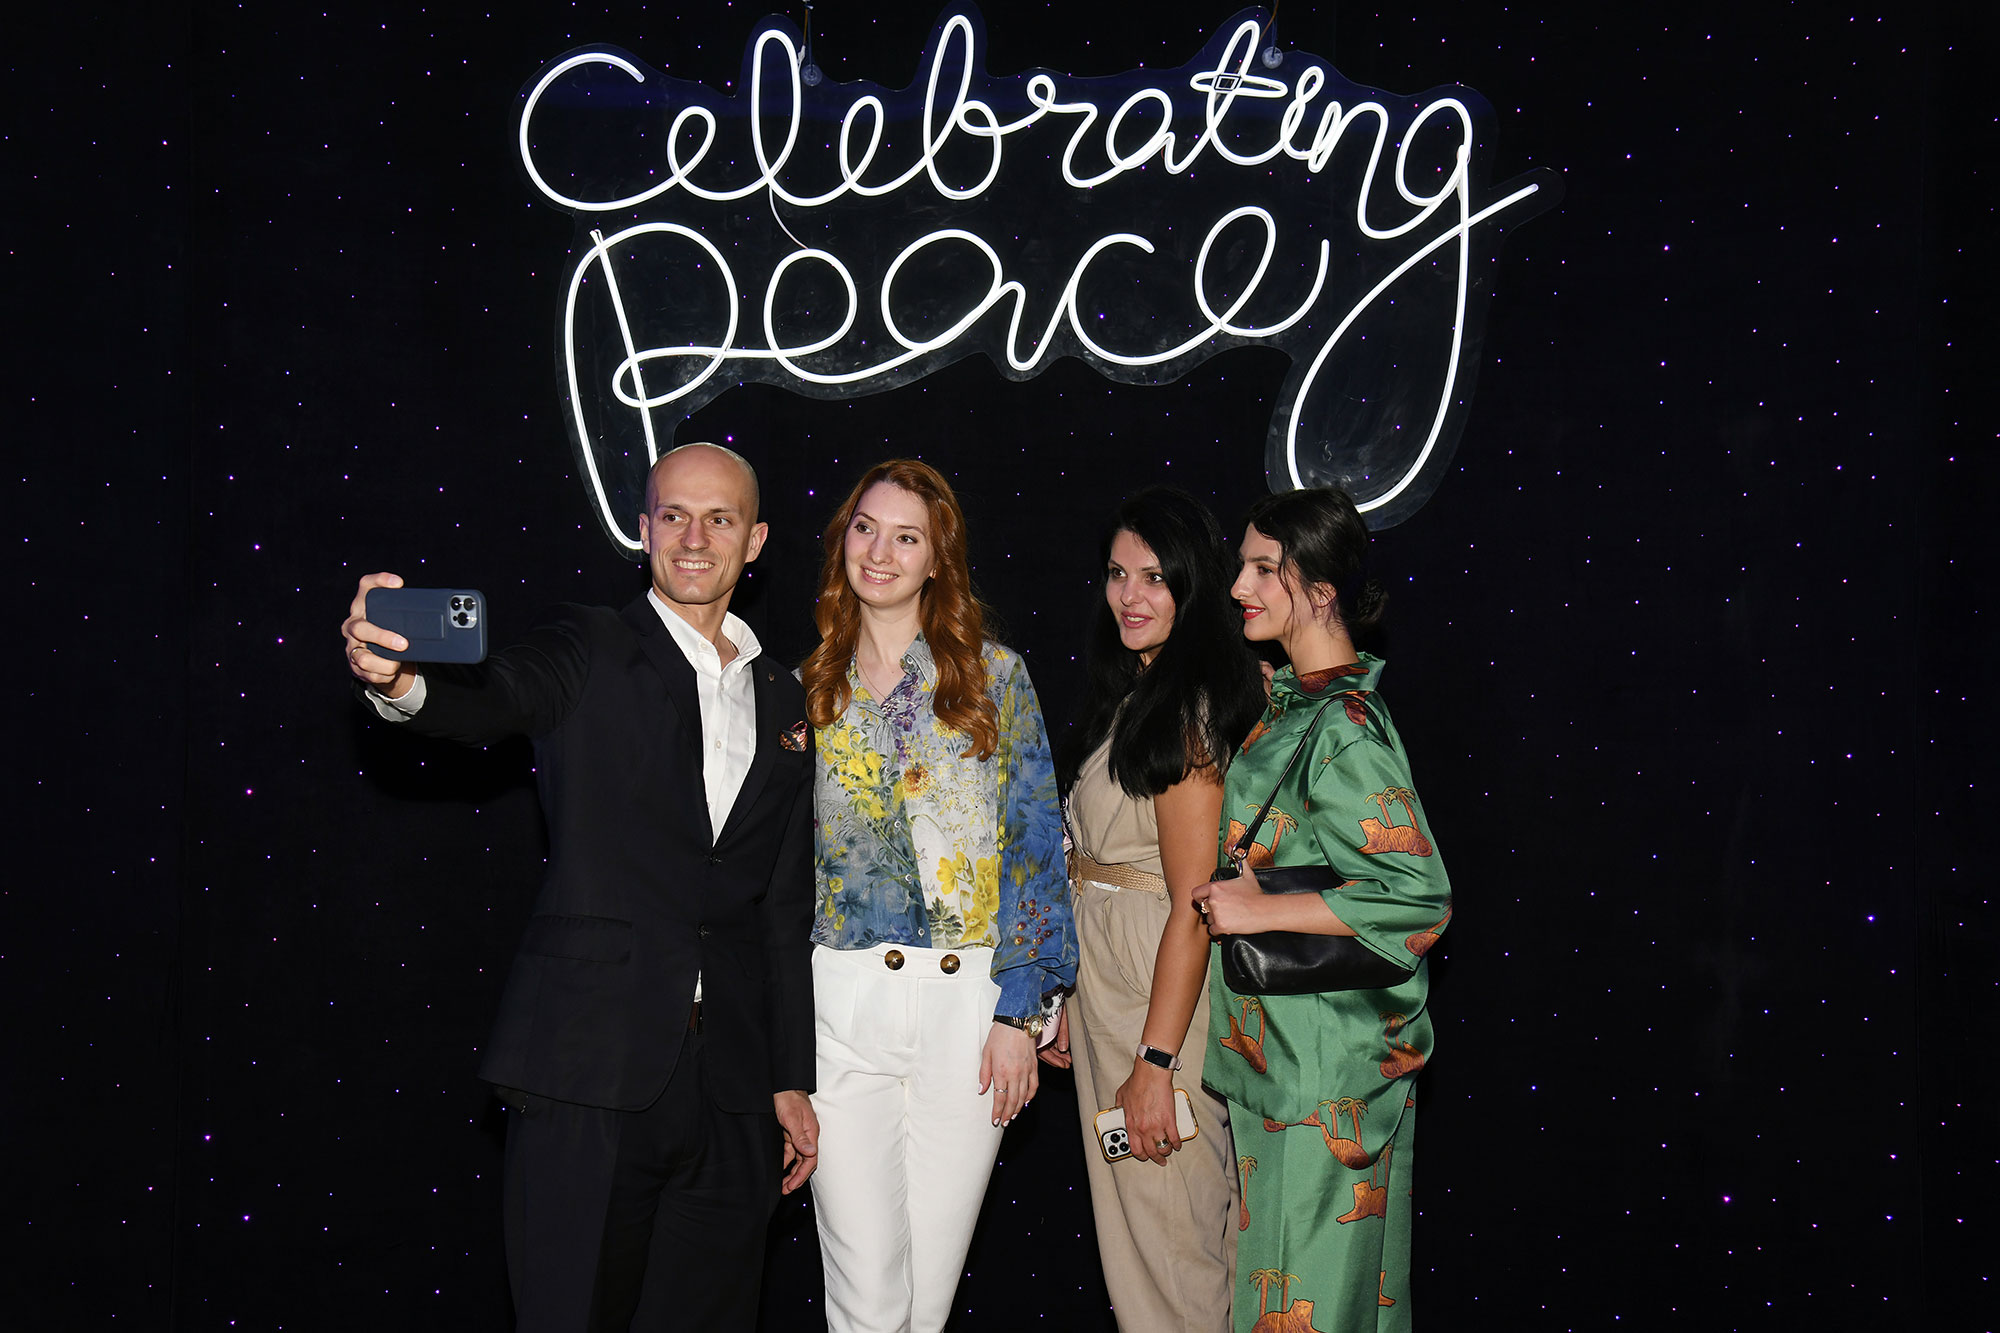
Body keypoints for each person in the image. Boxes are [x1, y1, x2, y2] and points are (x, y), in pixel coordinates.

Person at [340, 443, 820, 1333]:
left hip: (732, 1090)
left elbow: (783, 911)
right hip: (589, 1067)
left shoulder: (786, 698)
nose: (694, 537)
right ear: (643, 530)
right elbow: (493, 696)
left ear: (754, 541)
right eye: (673, 515)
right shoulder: (589, 644)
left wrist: (790, 1079)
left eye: (719, 518)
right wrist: (400, 679)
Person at [797, 458, 1076, 1333]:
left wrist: (1022, 1011)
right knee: (867, 1294)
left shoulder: (995, 678)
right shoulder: (806, 688)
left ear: (936, 559)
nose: (880, 551)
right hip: (842, 1006)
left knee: (926, 1302)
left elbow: (1036, 847)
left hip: (971, 1008)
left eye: (906, 536)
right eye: (866, 528)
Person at [1189, 487, 1452, 1333]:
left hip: (1320, 1073)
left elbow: (1417, 894)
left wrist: (1257, 909)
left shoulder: (1342, 725)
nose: (1239, 585)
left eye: (1265, 568)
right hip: (1287, 1059)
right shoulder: (1306, 703)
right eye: (1243, 565)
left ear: (1323, 589)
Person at [1047, 487, 1267, 1333]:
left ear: (1192, 586)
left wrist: (1156, 1061)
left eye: (1154, 578)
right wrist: (1067, 1000)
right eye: (1117, 574)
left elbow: (1193, 903)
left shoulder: (1187, 711)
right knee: (1152, 1238)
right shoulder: (1138, 693)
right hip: (1113, 982)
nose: (1130, 596)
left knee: (1171, 1245)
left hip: (1156, 990)